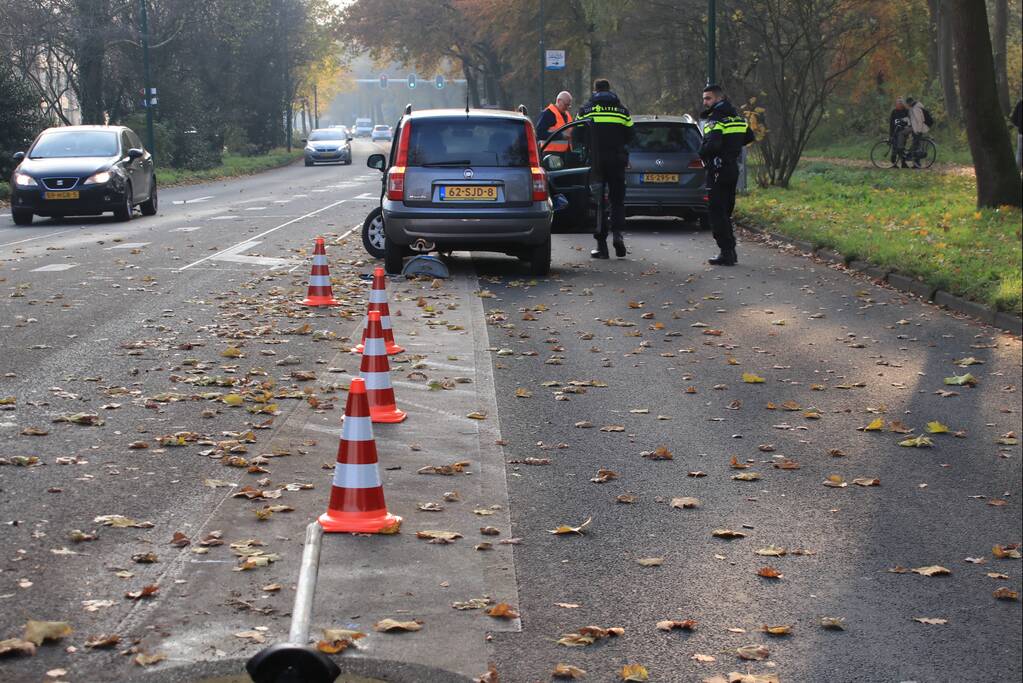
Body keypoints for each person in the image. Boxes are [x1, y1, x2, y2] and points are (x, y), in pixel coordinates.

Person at [699, 84, 755, 266]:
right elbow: (749, 137)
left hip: (717, 170)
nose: (705, 102)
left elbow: (712, 145)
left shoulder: (716, 119)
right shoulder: (737, 118)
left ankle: (726, 252)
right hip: (732, 169)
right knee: (725, 211)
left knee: (716, 212)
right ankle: (730, 251)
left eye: (708, 98)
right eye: (704, 98)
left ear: (718, 98)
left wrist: (702, 151)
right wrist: (732, 148)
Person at [578, 78, 633, 259]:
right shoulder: (622, 111)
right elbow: (631, 135)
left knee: (598, 202)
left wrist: (585, 148)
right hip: (617, 160)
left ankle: (601, 246)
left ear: (595, 91)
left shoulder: (586, 110)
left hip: (595, 161)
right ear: (610, 90)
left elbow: (577, 133)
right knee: (617, 200)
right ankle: (618, 235)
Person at [906, 97, 929, 169]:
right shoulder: (916, 107)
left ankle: (915, 162)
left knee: (916, 145)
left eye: (908, 104)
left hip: (918, 130)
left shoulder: (916, 108)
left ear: (910, 103)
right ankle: (916, 163)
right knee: (916, 145)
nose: (908, 105)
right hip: (916, 129)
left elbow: (919, 120)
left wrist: (918, 131)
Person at [889, 97, 912, 168]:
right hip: (895, 132)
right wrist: (890, 134)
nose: (897, 104)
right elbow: (891, 124)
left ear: (902, 104)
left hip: (902, 132)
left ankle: (903, 163)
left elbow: (909, 121)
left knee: (901, 148)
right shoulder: (894, 112)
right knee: (894, 148)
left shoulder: (906, 111)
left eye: (899, 103)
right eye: (896, 103)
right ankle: (894, 163)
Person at [1011, 98, 1022, 171]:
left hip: (1021, 133)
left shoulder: (1020, 103)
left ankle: (1017, 173)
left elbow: (1013, 119)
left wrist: (1020, 125)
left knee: (1020, 153)